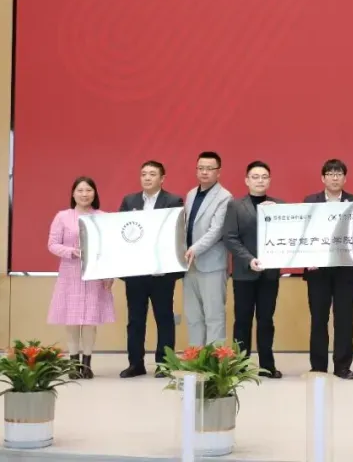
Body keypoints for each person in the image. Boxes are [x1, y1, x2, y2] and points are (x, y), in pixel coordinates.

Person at [303, 158, 353, 379]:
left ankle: (342, 366)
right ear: (323, 178)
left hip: (345, 271)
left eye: (339, 174)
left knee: (344, 319)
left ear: (345, 178)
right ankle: (318, 366)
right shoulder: (310, 201)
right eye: (330, 174)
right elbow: (302, 234)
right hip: (318, 271)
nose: (335, 178)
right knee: (318, 319)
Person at [117, 161, 185, 378]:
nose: (147, 178)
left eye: (152, 174)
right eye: (144, 174)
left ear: (162, 178)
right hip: (136, 271)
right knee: (135, 319)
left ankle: (164, 364)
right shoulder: (130, 200)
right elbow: (120, 231)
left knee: (164, 318)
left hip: (161, 272)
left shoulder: (173, 200)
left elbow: (177, 233)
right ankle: (135, 363)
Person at [47, 176, 115, 379]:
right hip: (71, 273)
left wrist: (110, 274)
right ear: (73, 193)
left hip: (95, 275)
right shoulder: (62, 217)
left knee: (90, 320)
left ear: (95, 193)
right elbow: (52, 244)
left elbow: (110, 249)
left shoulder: (103, 217)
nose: (84, 194)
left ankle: (87, 363)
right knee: (72, 319)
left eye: (88, 190)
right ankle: (73, 363)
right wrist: (71, 251)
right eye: (80, 190)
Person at [223, 160, 283, 378]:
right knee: (242, 320)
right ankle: (239, 365)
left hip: (270, 273)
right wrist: (248, 259)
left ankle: (267, 365)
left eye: (264, 177)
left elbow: (288, 235)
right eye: (255, 177)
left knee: (266, 320)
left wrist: (278, 216)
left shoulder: (280, 205)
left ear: (270, 180)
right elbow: (230, 237)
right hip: (244, 272)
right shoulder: (235, 206)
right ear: (247, 180)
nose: (260, 181)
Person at [182, 151, 232, 346]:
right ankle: (196, 357)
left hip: (211, 264)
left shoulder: (225, 197)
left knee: (214, 316)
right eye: (201, 168)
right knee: (193, 316)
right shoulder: (191, 194)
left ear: (218, 172)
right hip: (189, 264)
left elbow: (216, 231)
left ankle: (214, 360)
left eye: (209, 169)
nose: (204, 172)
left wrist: (194, 249)